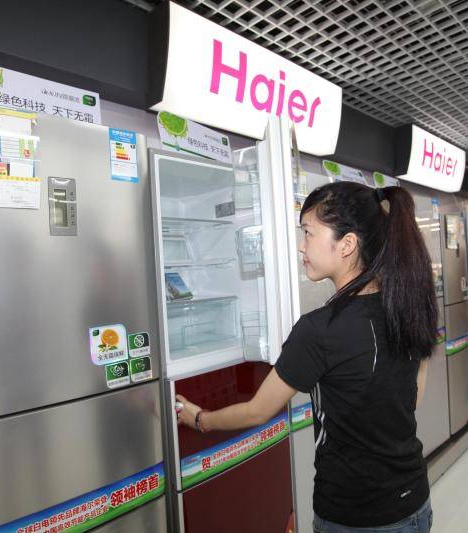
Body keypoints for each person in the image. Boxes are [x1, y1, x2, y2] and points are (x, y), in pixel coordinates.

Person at [176, 182, 437, 533]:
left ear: (346, 244)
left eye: (308, 232)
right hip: (414, 501)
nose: (301, 245)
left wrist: (199, 419)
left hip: (357, 516)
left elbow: (257, 410)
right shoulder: (407, 307)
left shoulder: (319, 330)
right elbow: (411, 400)